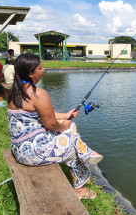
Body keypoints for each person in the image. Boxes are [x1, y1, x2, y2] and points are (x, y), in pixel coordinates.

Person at [7, 54, 103, 199]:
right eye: (40, 68)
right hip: (32, 154)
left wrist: (65, 116)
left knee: (71, 128)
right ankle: (79, 189)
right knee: (72, 146)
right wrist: (64, 125)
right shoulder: (37, 93)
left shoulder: (15, 91)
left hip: (19, 149)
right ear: (30, 73)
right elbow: (51, 124)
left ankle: (86, 152)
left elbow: (43, 113)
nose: (43, 70)